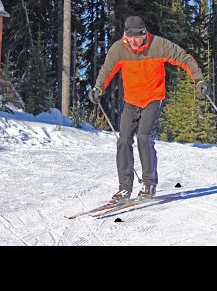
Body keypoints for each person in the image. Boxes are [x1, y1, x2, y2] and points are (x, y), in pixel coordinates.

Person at [88, 15, 209, 204]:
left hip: (153, 98)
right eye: (132, 39)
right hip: (131, 100)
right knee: (124, 139)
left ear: (145, 34)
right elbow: (107, 70)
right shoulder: (118, 49)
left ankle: (149, 184)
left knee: (144, 138)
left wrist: (198, 79)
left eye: (140, 38)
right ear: (125, 36)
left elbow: (184, 58)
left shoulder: (158, 45)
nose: (136, 43)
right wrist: (98, 87)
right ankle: (124, 188)